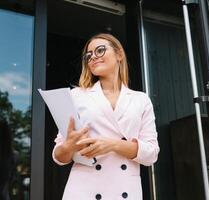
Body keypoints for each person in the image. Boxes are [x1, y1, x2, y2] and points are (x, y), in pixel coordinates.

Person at [52, 33, 160, 200]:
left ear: (119, 54)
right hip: (83, 190)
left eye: (100, 50)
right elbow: (59, 156)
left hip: (126, 190)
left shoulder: (141, 100)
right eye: (88, 55)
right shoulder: (77, 96)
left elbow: (151, 154)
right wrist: (69, 145)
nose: (93, 57)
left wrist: (112, 145)